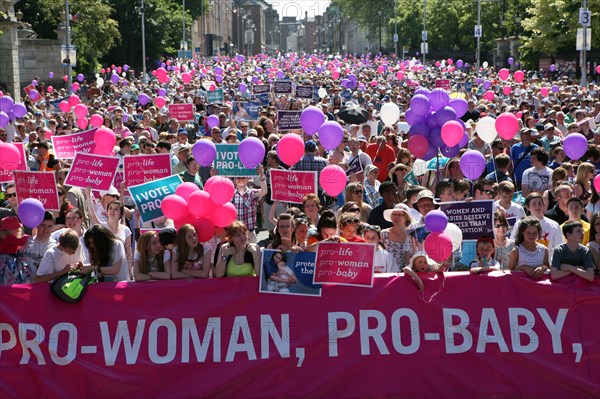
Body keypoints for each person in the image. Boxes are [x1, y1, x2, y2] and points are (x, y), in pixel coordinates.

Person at [511, 193, 563, 264]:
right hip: (523, 265)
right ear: (527, 207)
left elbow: (559, 247)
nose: (537, 206)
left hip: (545, 265)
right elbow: (513, 244)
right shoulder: (520, 224)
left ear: (544, 205)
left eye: (539, 203)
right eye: (534, 204)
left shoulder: (554, 225)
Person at [381, 203, 420, 268]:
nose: (396, 217)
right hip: (387, 273)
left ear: (407, 217)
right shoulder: (384, 234)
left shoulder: (412, 235)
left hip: (407, 274)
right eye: (394, 214)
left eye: (399, 214)